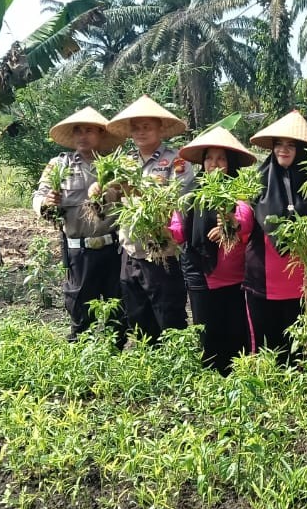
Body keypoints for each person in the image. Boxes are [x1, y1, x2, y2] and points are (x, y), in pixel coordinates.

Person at [105, 95, 196, 343]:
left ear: (160, 128)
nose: (141, 132)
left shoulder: (176, 162)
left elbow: (182, 198)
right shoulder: (124, 162)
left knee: (169, 317)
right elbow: (112, 200)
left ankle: (177, 372)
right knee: (138, 316)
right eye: (136, 127)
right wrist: (101, 189)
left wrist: (142, 193)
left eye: (147, 126)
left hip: (161, 252)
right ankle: (151, 372)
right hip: (130, 250)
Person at [32, 107, 126, 342]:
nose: (83, 136)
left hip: (113, 249)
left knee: (118, 311)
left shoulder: (115, 165)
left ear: (101, 134)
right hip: (78, 251)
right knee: (80, 310)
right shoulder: (59, 165)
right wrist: (46, 202)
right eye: (78, 131)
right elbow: (38, 196)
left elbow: (129, 195)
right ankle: (81, 359)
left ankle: (116, 359)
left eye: (89, 131)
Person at [169, 126, 257, 373]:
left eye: (221, 158)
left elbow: (246, 216)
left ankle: (238, 380)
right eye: (209, 158)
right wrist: (161, 229)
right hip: (200, 274)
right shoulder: (191, 191)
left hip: (235, 276)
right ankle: (212, 381)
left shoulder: (238, 189)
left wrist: (232, 225)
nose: (214, 164)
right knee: (208, 334)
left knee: (235, 332)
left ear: (230, 163)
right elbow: (179, 228)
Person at [245, 110, 307, 359]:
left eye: (291, 145)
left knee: (300, 345)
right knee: (269, 346)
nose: (284, 150)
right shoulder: (258, 180)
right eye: (279, 144)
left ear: (301, 150)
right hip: (264, 275)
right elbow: (245, 220)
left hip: (302, 274)